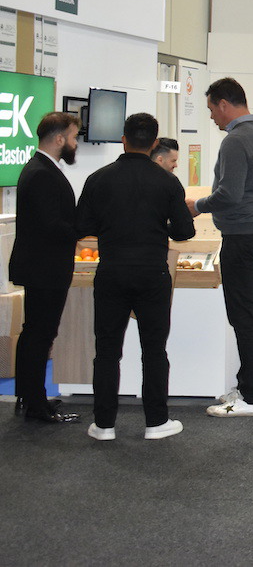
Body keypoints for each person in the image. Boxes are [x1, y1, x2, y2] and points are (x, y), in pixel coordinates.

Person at [77, 113, 196, 441]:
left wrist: (110, 226)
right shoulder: (167, 182)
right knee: (154, 350)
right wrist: (160, 226)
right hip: (152, 274)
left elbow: (81, 226)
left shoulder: (98, 179)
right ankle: (156, 422)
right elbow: (184, 231)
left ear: (123, 140)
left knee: (106, 351)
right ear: (155, 143)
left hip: (111, 272)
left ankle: (104, 425)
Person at [189, 78, 253, 418]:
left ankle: (252, 398)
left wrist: (196, 205)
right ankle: (245, 387)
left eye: (211, 109)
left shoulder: (236, 140)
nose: (212, 117)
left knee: (244, 318)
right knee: (250, 314)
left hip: (244, 236)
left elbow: (228, 194)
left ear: (224, 104)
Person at [10, 112, 82, 424]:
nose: (76, 143)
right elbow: (52, 225)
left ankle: (30, 396)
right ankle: (35, 404)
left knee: (35, 333)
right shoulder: (41, 173)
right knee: (40, 334)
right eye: (74, 137)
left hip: (41, 266)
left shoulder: (41, 168)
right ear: (59, 138)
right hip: (45, 268)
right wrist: (82, 229)